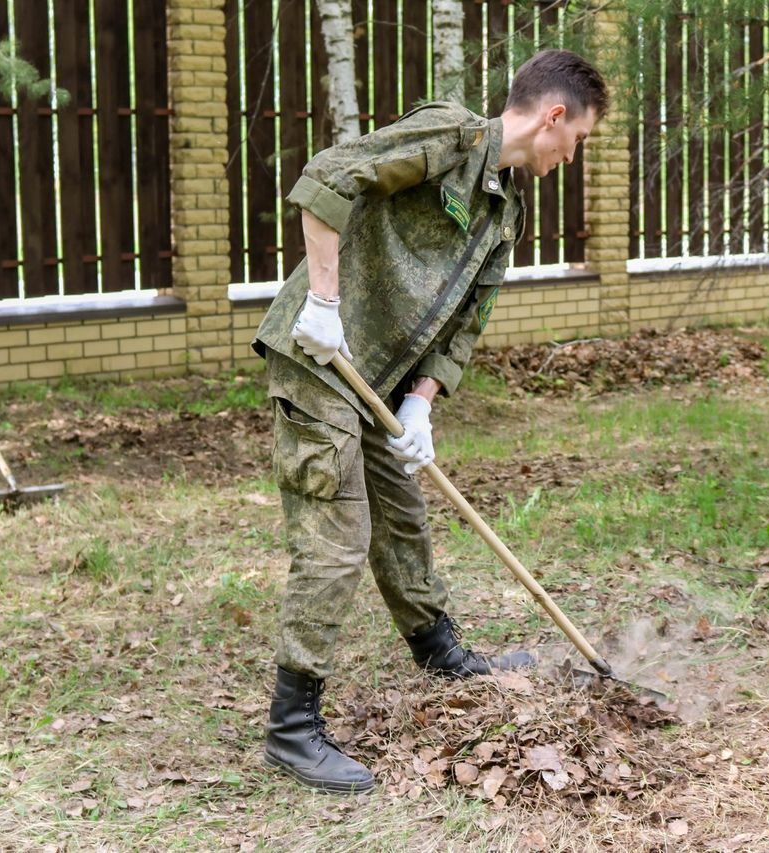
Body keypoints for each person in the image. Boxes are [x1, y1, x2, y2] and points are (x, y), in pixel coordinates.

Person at [252, 49, 609, 793]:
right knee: (338, 537)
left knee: (404, 517)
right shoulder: (449, 138)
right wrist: (321, 302)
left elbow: (466, 325)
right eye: (578, 140)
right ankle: (292, 726)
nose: (573, 156)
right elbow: (328, 176)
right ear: (553, 118)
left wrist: (421, 402)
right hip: (321, 356)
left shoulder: (504, 210)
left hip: (380, 381)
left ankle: (437, 648)